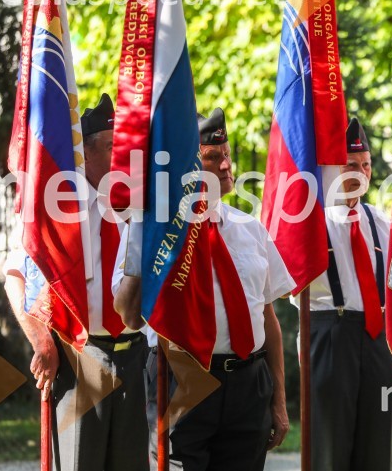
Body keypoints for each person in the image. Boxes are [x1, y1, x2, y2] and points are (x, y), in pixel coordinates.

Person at [114, 107, 295, 471]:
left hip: (248, 382)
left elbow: (268, 319)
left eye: (227, 155)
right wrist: (144, 234)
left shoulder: (249, 229)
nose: (227, 166)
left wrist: (278, 399)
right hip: (183, 380)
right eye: (213, 158)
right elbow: (129, 315)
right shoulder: (153, 232)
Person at [2, 93, 149, 471]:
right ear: (84, 154)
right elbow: (17, 279)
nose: (122, 159)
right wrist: (41, 341)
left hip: (134, 357)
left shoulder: (137, 208)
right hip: (79, 355)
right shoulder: (61, 209)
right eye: (112, 147)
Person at [297, 116, 392, 471]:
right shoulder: (312, 220)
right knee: (330, 447)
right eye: (351, 165)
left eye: (366, 165)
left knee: (376, 444)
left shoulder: (379, 221)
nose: (361, 172)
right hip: (330, 333)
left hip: (376, 337)